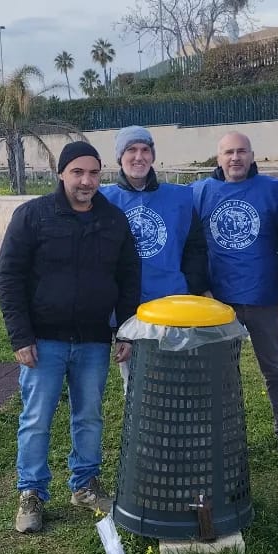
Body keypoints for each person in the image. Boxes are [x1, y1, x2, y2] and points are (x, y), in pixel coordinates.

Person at [0, 141, 141, 534]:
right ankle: (31, 493)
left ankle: (85, 484)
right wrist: (20, 336)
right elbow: (9, 278)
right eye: (78, 172)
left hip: (94, 340)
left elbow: (129, 277)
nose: (86, 180)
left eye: (93, 173)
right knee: (36, 418)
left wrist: (125, 329)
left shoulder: (113, 220)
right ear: (61, 174)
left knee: (89, 416)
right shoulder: (32, 216)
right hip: (44, 341)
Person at [191, 131, 278, 464]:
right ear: (218, 158)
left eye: (242, 151)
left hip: (263, 296)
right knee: (217, 373)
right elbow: (193, 248)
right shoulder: (199, 193)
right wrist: (201, 289)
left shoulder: (274, 191)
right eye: (229, 152)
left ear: (252, 155)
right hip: (218, 303)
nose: (235, 158)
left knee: (274, 368)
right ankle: (218, 438)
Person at [101, 125, 210, 384]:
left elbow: (195, 247)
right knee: (136, 383)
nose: (139, 156)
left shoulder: (179, 197)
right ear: (120, 156)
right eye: (131, 150)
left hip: (173, 303)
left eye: (145, 150)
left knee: (178, 379)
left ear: (152, 155)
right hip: (127, 308)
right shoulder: (104, 200)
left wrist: (193, 285)